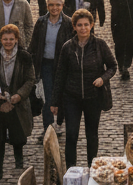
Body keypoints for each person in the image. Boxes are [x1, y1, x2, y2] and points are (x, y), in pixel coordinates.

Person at [50, 9, 117, 168]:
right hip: (71, 97)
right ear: (74, 27)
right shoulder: (67, 47)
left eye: (86, 24)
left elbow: (113, 66)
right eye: (79, 25)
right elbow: (60, 74)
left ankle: (92, 167)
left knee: (91, 135)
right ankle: (71, 169)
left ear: (91, 25)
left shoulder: (100, 45)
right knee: (71, 134)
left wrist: (103, 78)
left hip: (93, 97)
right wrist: (54, 101)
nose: (83, 28)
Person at [0, 23, 35, 182]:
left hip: (18, 103)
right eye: (5, 39)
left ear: (16, 39)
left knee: (18, 134)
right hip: (0, 104)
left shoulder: (24, 57)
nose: (8, 42)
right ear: (0, 39)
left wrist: (18, 96)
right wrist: (0, 96)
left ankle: (19, 161)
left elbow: (30, 80)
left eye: (11, 39)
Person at [29, 0, 73, 133]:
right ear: (47, 6)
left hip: (63, 65)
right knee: (48, 96)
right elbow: (34, 44)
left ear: (63, 5)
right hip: (46, 64)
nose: (54, 8)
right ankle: (48, 128)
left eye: (57, 5)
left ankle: (59, 123)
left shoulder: (68, 23)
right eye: (51, 5)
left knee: (61, 94)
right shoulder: (41, 22)